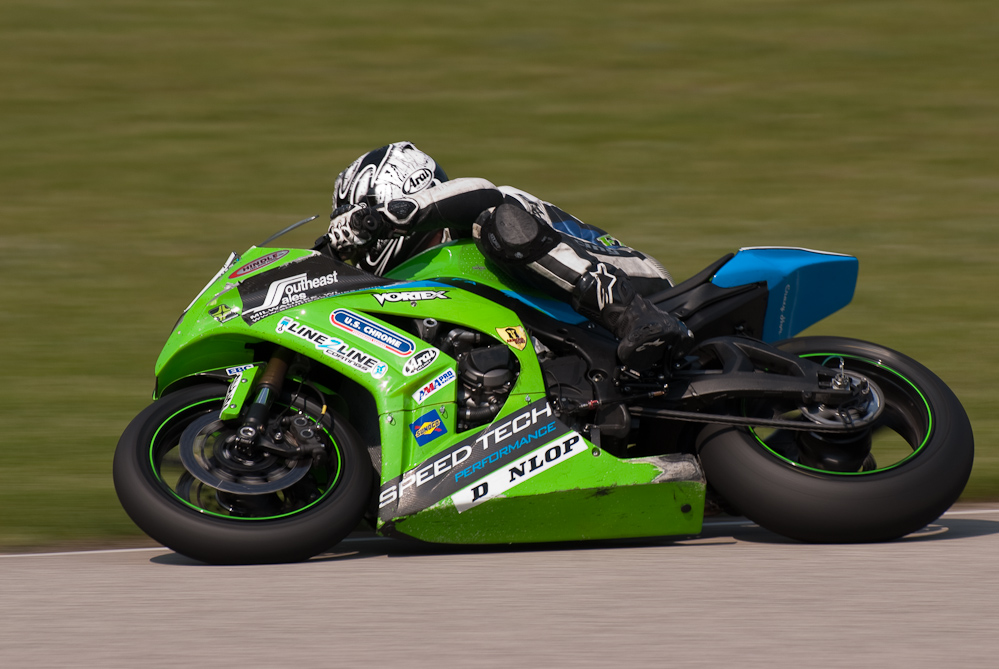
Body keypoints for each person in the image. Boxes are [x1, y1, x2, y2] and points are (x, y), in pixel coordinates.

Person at [325, 141, 693, 372]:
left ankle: (628, 313)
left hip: (639, 282)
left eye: (360, 217)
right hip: (573, 339)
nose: (361, 236)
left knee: (495, 224)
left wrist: (388, 216)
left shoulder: (477, 213)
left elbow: (483, 193)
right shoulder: (427, 280)